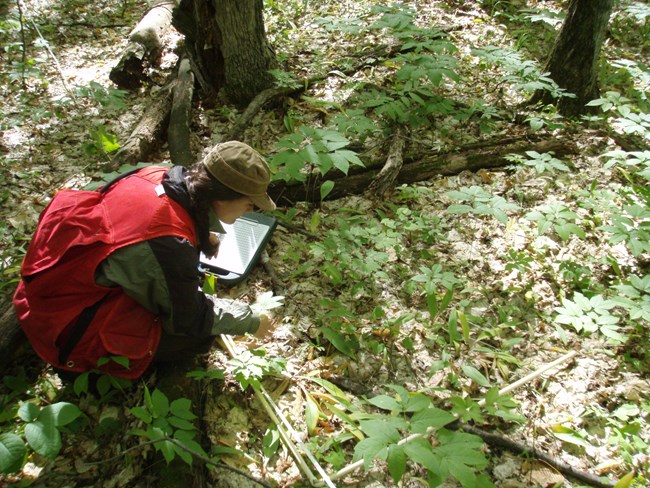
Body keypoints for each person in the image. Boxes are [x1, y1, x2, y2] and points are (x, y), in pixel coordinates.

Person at [13, 141, 277, 379]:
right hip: (65, 329)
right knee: (195, 339)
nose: (251, 210)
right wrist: (251, 321)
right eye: (249, 203)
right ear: (222, 197)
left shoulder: (157, 175)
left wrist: (200, 234)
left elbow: (141, 221)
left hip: (56, 289)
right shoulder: (168, 245)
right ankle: (97, 378)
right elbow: (188, 317)